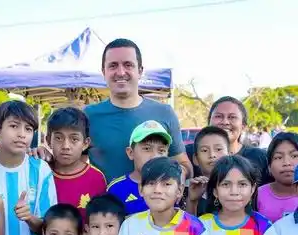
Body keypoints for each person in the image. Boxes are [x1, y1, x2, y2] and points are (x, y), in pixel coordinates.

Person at [83, 38, 191, 182]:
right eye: (113, 66)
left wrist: (166, 181)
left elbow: (184, 165)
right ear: (104, 72)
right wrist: (47, 156)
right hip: (105, 203)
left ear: (140, 71)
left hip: (153, 204)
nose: (121, 72)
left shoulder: (164, 113)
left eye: (128, 65)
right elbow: (71, 162)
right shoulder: (88, 116)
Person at [0, 100, 56, 235]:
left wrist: (29, 218)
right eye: (14, 126)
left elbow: (51, 228)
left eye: (28, 129)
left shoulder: (41, 170)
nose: (22, 134)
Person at [186, 97, 271, 211]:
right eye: (219, 116)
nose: (225, 122)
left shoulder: (260, 157)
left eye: (232, 117)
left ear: (243, 125)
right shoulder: (189, 153)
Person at [46, 107, 107, 221]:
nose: (66, 146)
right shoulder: (42, 172)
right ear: (49, 140)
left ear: (85, 143)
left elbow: (99, 223)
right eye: (59, 138)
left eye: (74, 139)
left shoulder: (96, 178)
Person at [107, 120, 171, 215]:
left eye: (161, 151)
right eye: (147, 149)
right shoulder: (116, 189)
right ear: (130, 153)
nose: (155, 156)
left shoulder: (171, 186)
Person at [186, 126, 230, 213]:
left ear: (230, 155)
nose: (212, 155)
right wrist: (192, 201)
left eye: (218, 149)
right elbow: (189, 225)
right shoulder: (189, 189)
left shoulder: (238, 187)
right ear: (195, 159)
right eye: (205, 150)